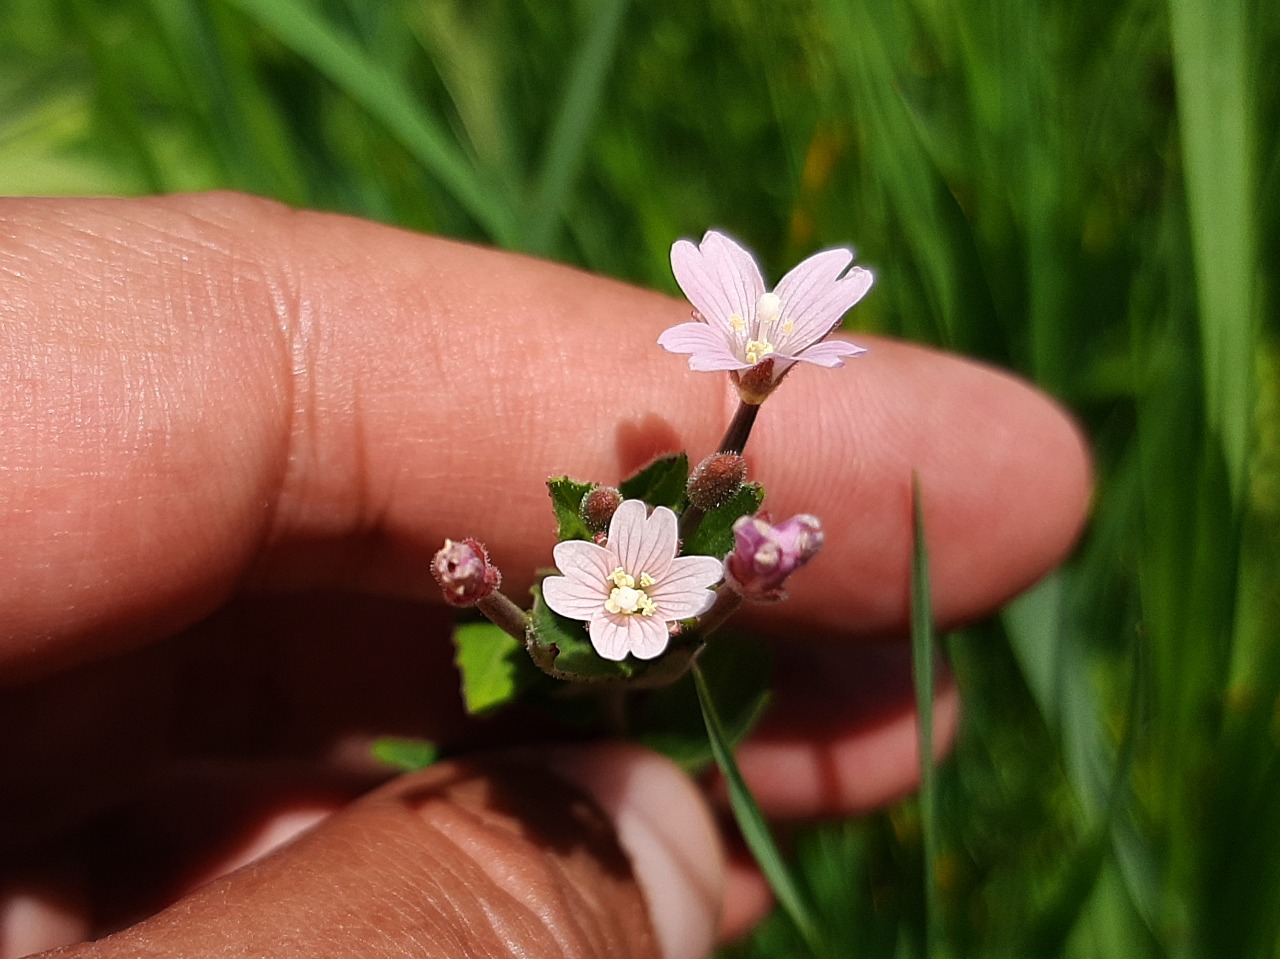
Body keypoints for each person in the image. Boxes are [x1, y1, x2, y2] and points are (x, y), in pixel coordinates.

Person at [0, 194, 1091, 959]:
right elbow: (609, 588)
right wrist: (544, 596)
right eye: (750, 340)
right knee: (563, 646)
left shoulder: (699, 497)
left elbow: (650, 583)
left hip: (640, 587)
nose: (759, 346)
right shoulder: (613, 562)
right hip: (592, 616)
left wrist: (680, 583)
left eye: (774, 343)